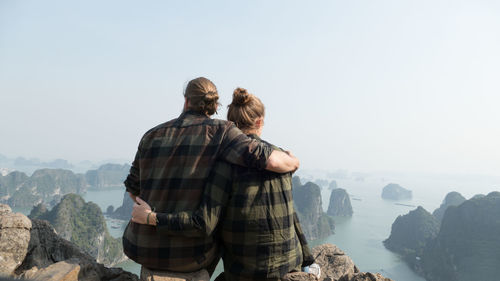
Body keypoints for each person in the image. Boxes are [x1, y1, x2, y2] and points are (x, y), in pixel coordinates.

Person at [122, 77, 300, 280]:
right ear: (215, 106)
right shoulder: (222, 132)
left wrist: (150, 215)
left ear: (186, 101)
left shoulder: (150, 135)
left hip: (141, 247)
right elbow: (270, 160)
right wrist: (293, 163)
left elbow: (133, 189)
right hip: (191, 256)